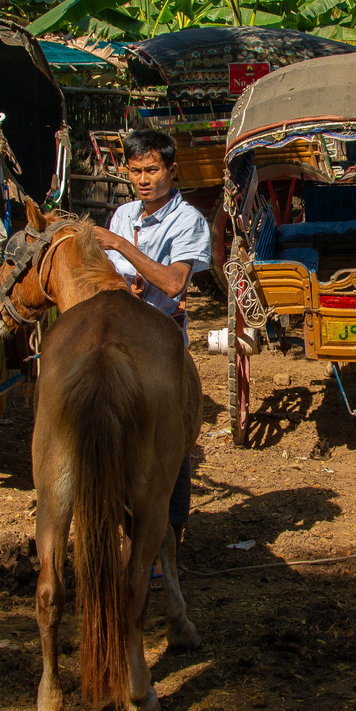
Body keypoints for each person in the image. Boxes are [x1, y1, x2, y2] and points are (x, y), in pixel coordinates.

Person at [91, 128, 212, 549]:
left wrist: (123, 246)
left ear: (171, 170)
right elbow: (110, 277)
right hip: (120, 332)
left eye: (152, 170)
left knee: (169, 441)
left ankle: (170, 537)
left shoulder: (188, 220)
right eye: (136, 170)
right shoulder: (122, 214)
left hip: (162, 335)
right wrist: (127, 290)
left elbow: (175, 282)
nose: (143, 179)